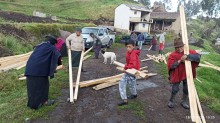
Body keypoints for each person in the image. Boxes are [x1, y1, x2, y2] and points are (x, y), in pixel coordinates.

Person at [25, 35, 62, 109]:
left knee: (32, 87)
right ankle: (44, 101)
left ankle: (32, 103)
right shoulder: (51, 48)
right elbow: (57, 55)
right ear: (53, 42)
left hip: (29, 69)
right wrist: (59, 64)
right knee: (43, 86)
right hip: (40, 71)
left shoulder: (39, 46)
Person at [167, 38, 201, 109]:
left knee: (186, 89)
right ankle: (171, 101)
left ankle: (184, 101)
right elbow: (171, 66)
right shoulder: (173, 55)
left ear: (183, 46)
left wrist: (188, 56)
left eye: (181, 47)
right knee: (175, 89)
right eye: (177, 47)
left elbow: (198, 56)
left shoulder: (188, 52)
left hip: (187, 74)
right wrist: (180, 60)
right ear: (175, 48)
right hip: (178, 74)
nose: (179, 49)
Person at [118, 40, 140, 106]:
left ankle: (125, 100)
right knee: (131, 84)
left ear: (133, 46)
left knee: (122, 83)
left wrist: (125, 68)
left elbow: (133, 65)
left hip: (132, 71)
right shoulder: (128, 52)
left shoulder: (133, 54)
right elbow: (128, 62)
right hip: (130, 71)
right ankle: (134, 94)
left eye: (130, 47)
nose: (128, 48)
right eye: (127, 47)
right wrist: (126, 66)